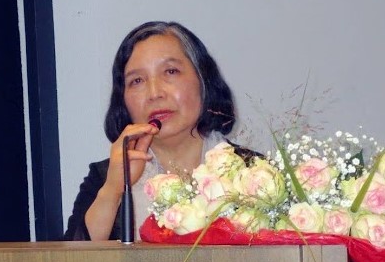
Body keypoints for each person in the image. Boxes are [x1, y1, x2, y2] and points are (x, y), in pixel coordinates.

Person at [64, 21, 258, 241]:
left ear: (204, 81)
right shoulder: (105, 178)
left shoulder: (255, 173)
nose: (155, 93)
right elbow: (71, 260)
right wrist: (113, 190)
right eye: (137, 81)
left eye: (171, 71)